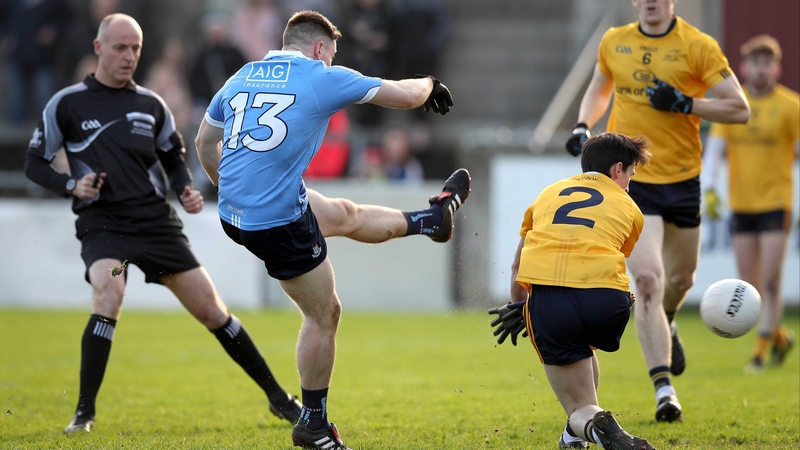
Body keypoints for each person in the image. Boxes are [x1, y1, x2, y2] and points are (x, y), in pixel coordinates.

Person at [195, 10, 464, 449]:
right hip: (276, 222)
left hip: (235, 212)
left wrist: (233, 189)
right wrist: (430, 84)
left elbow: (206, 142)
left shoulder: (242, 74)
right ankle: (313, 424)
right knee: (325, 314)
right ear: (319, 48)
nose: (330, 61)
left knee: (342, 214)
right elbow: (405, 96)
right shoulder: (321, 76)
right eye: (330, 54)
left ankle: (430, 221)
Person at [23, 13, 304, 434]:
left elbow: (173, 158)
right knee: (109, 292)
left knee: (214, 312)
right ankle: (83, 415)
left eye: (135, 48)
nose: (129, 56)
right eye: (120, 47)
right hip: (105, 229)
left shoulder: (150, 105)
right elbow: (33, 163)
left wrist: (185, 189)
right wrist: (69, 185)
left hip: (156, 227)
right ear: (99, 48)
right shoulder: (67, 104)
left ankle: (280, 400)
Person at [565, 0, 750, 423]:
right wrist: (582, 124)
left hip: (683, 180)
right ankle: (665, 389)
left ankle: (667, 319)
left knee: (682, 278)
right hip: (633, 182)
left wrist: (687, 104)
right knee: (647, 278)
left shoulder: (698, 46)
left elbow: (739, 109)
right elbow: (599, 88)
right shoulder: (615, 40)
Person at [491, 132, 653, 450]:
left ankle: (598, 428)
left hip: (551, 299)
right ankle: (572, 437)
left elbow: (517, 263)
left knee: (581, 407)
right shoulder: (631, 208)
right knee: (581, 348)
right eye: (631, 175)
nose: (629, 184)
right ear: (618, 169)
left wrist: (519, 305)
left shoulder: (548, 194)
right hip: (609, 300)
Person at [701, 35, 799, 372]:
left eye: (766, 63)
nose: (761, 70)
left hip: (776, 202)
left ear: (776, 67)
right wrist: (710, 189)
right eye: (755, 63)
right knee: (750, 286)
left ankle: (759, 353)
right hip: (741, 206)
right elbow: (714, 151)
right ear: (744, 67)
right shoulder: (732, 104)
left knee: (770, 281)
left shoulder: (790, 105)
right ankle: (782, 337)